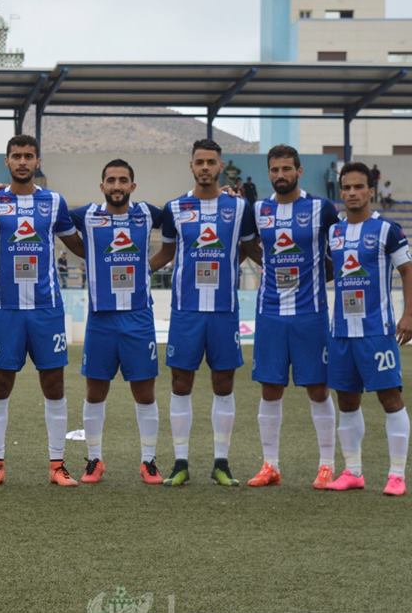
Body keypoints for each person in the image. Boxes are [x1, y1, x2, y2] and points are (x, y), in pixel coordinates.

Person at [0, 134, 85, 486]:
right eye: (16, 156)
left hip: (47, 309)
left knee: (54, 384)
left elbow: (76, 242)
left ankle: (57, 464)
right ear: (6, 161)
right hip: (7, 309)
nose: (22, 162)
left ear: (37, 161)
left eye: (28, 156)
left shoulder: (54, 203)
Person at [150, 139, 259, 487]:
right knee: (180, 383)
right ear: (191, 165)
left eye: (211, 162)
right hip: (186, 311)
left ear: (220, 165)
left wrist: (279, 268)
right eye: (200, 162)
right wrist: (139, 269)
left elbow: (248, 248)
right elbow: (167, 251)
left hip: (224, 310)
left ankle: (221, 462)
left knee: (223, 383)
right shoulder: (176, 208)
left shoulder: (239, 208)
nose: (206, 167)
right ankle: (180, 461)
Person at [245, 145, 339, 489]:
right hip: (269, 313)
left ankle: (327, 464)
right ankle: (270, 465)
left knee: (317, 388)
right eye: (274, 170)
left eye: (286, 169)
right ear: (269, 172)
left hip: (310, 314)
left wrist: (315, 276)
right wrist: (267, 264)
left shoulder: (320, 208)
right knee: (270, 388)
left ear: (299, 171)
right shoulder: (258, 209)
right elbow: (245, 244)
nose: (280, 175)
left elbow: (341, 250)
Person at [69, 159, 166, 485]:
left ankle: (149, 461)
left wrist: (147, 267)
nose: (117, 186)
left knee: (144, 391)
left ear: (132, 186)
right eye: (111, 180)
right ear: (102, 186)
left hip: (138, 317)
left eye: (123, 180)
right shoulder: (87, 215)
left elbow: (180, 227)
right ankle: (94, 459)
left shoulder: (147, 213)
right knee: (95, 390)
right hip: (101, 318)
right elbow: (53, 223)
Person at [325, 162, 411, 495]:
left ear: (370, 191)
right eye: (346, 188)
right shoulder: (334, 232)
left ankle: (396, 475)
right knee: (347, 401)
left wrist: (409, 315)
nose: (352, 193)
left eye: (358, 187)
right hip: (342, 331)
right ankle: (353, 471)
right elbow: (333, 273)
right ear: (340, 191)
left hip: (377, 330)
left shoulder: (388, 229)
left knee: (391, 398)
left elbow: (407, 271)